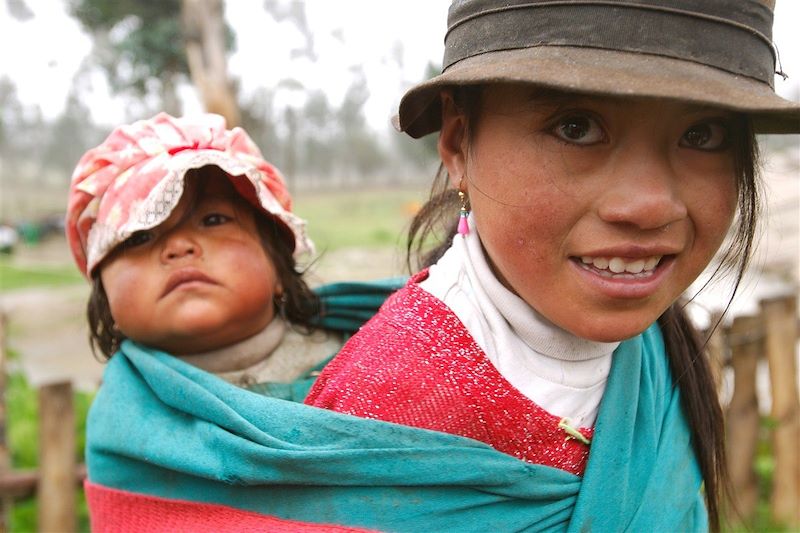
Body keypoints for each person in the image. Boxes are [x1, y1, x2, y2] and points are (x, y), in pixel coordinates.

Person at [305, 0, 800, 531]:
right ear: (457, 142)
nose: (649, 205)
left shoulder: (654, 347)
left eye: (702, 135)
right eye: (576, 127)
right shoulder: (387, 405)